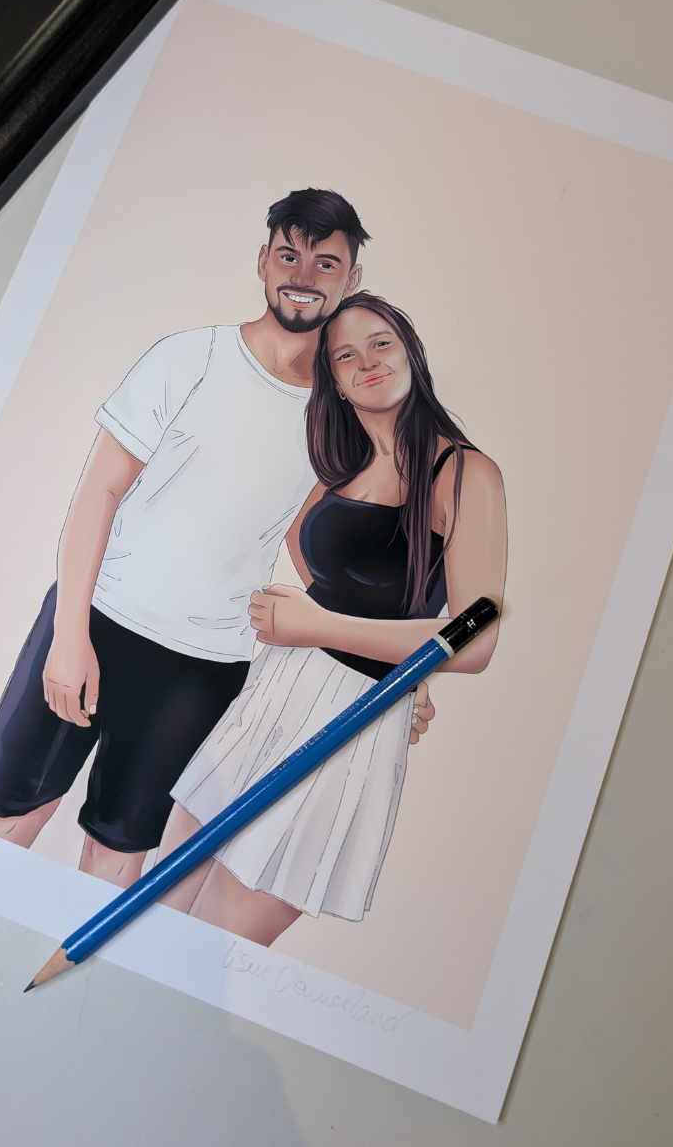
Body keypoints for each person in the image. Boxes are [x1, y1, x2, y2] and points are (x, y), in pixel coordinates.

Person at [0, 189, 368, 888]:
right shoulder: (190, 358)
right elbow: (98, 493)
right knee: (6, 822)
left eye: (326, 263)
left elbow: (313, 548)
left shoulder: (338, 417)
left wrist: (380, 664)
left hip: (201, 667)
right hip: (99, 620)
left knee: (117, 862)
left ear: (351, 279)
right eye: (289, 255)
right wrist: (69, 634)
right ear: (263, 260)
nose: (304, 275)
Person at [156, 292, 507, 945]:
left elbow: (476, 636)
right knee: (156, 912)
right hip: (270, 696)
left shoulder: (464, 472)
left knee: (206, 947)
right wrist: (396, 656)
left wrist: (322, 630)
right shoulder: (342, 463)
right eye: (345, 356)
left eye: (381, 343)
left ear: (412, 352)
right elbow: (308, 548)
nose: (366, 362)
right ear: (335, 383)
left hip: (347, 724)